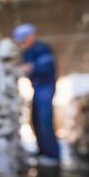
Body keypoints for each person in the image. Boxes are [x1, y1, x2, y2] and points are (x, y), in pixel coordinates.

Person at [13, 24, 60, 166]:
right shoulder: (29, 51)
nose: (22, 43)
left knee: (44, 120)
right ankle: (42, 150)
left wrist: (30, 67)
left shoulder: (41, 49)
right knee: (36, 120)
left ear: (31, 36)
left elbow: (45, 67)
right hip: (37, 88)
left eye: (24, 40)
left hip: (46, 87)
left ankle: (53, 155)